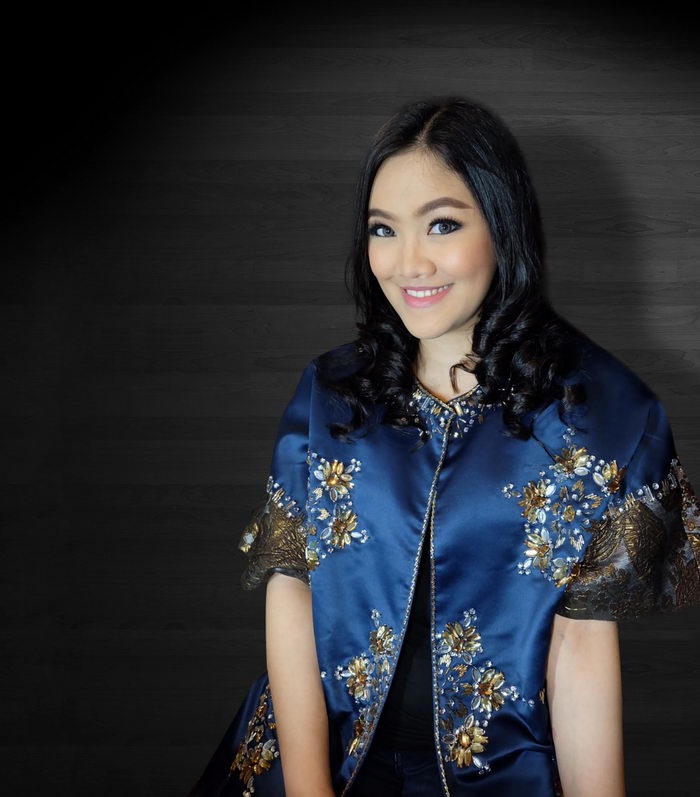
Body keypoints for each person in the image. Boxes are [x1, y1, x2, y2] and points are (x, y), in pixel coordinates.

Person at [186, 96, 700, 797]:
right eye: (383, 229)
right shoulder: (331, 391)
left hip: (499, 773)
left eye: (443, 224)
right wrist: (309, 788)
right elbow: (294, 589)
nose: (409, 263)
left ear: (503, 226)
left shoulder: (602, 412)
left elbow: (580, 643)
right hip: (313, 751)